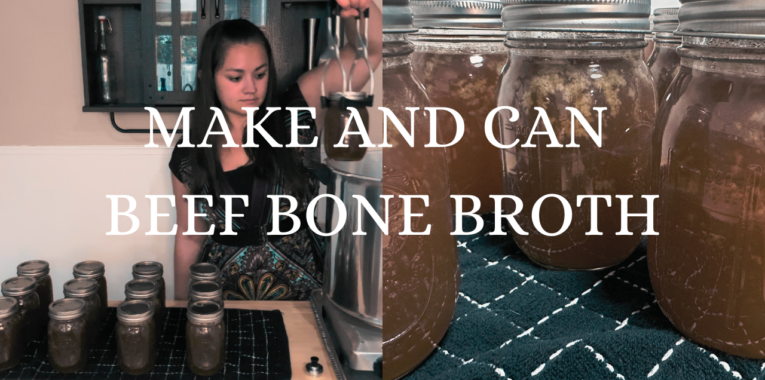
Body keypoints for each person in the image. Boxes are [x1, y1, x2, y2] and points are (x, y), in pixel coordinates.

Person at [170, 0, 381, 300]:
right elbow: (190, 236)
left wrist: (355, 9)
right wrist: (180, 311)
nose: (250, 88)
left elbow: (369, 52)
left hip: (304, 300)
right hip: (221, 302)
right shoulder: (189, 154)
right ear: (208, 78)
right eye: (235, 77)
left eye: (260, 74)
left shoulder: (295, 112)